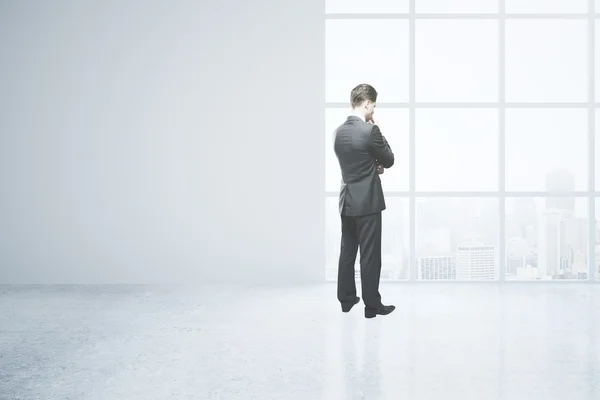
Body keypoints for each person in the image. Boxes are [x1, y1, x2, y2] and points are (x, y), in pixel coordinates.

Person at [333, 83, 396, 319]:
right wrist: (379, 129)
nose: (373, 111)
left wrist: (371, 166)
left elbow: (354, 162)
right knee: (369, 255)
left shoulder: (338, 133)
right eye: (373, 106)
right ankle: (372, 306)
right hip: (367, 201)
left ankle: (346, 300)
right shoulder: (370, 131)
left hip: (346, 199)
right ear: (367, 103)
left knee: (347, 251)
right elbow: (388, 160)